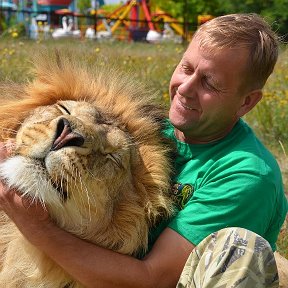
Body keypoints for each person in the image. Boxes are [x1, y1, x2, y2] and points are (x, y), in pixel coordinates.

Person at [0, 13, 287, 288]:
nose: (185, 88)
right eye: (186, 68)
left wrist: (35, 226)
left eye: (210, 82)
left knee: (239, 248)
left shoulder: (245, 174)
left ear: (246, 102)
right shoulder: (155, 131)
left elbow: (154, 279)